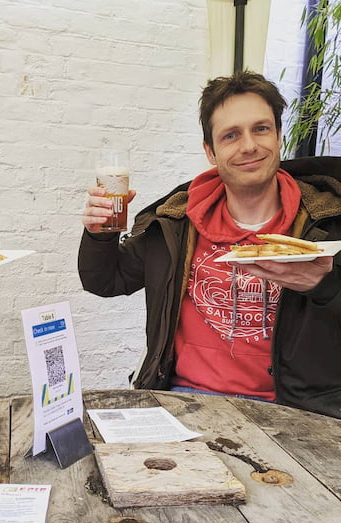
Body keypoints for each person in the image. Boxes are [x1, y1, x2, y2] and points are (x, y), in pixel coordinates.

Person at [79, 70, 341, 419]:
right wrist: (100, 234)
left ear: (279, 136)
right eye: (231, 135)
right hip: (183, 403)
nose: (249, 145)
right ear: (211, 152)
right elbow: (105, 281)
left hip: (294, 411)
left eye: (260, 129)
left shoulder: (329, 222)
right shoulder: (174, 223)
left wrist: (326, 285)